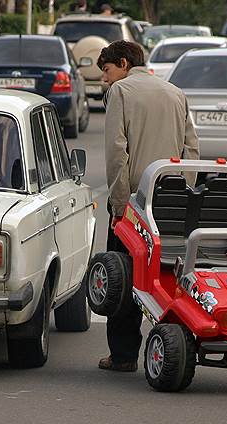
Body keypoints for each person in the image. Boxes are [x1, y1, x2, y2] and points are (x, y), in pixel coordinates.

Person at [96, 40, 199, 372]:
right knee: (170, 275)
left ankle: (123, 356)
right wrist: (185, 193)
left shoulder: (121, 93)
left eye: (107, 70)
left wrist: (118, 206)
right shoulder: (175, 92)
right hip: (172, 203)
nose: (104, 80)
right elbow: (191, 149)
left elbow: (116, 152)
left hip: (135, 205)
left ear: (124, 63)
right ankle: (177, 342)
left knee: (123, 277)